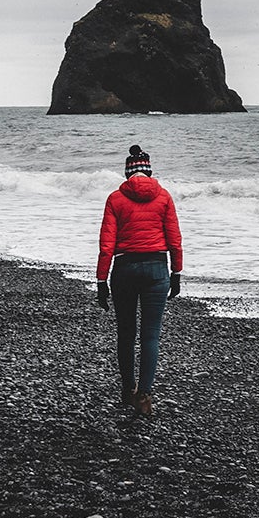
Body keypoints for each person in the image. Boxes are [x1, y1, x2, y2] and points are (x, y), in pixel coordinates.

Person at [96, 144, 184, 417]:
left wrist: (101, 281)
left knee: (126, 333)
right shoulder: (164, 197)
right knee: (151, 334)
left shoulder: (115, 198)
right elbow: (175, 239)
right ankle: (144, 396)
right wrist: (177, 273)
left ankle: (127, 390)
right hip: (157, 269)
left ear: (127, 174)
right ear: (149, 171)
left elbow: (106, 244)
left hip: (124, 269)